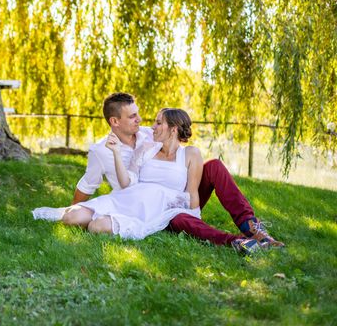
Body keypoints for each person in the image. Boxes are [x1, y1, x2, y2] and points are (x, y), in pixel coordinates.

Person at [33, 92, 284, 254]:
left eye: (155, 122)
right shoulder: (140, 145)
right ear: (115, 122)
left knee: (214, 169)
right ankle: (238, 241)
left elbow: (192, 198)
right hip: (143, 203)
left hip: (180, 202)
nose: (144, 123)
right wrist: (77, 206)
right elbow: (92, 183)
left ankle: (252, 229)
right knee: (177, 220)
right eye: (136, 117)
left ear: (172, 129)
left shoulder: (157, 140)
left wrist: (181, 205)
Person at [62, 108, 203, 241]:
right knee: (70, 217)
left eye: (158, 123)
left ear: (173, 130)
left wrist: (194, 220)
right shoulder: (147, 149)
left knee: (96, 226)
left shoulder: (190, 153)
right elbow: (126, 182)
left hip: (150, 210)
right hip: (128, 199)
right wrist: (116, 152)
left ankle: (109, 222)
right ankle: (104, 217)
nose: (153, 127)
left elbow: (192, 193)